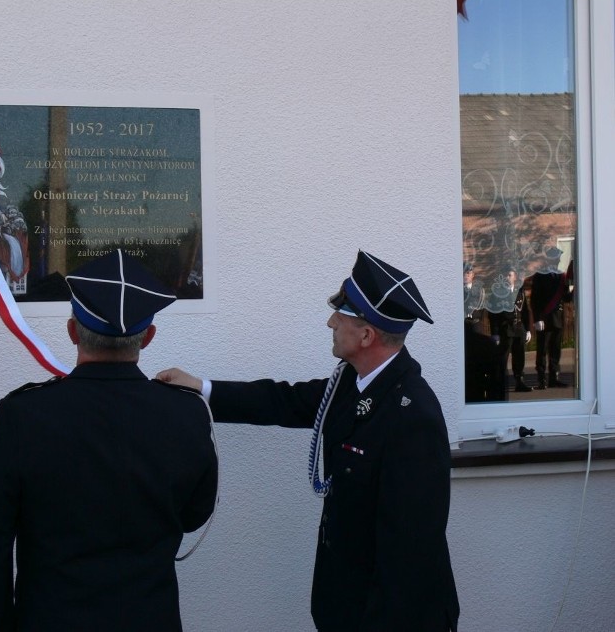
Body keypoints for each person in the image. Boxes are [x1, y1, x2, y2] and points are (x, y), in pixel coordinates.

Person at [158, 250, 459, 632]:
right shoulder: (352, 381)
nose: (331, 321)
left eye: (342, 315)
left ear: (366, 335)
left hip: (388, 617)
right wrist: (202, 388)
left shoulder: (412, 414)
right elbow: (284, 401)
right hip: (345, 605)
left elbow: (410, 552)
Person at [0, 248, 219, 631]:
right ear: (147, 338)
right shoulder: (187, 412)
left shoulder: (23, 415)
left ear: (72, 332)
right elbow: (194, 514)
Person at [530, 247, 573, 389]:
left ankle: (554, 378)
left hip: (557, 319)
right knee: (542, 350)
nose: (559, 260)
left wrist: (574, 289)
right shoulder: (540, 276)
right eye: (556, 257)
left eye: (559, 257)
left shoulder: (562, 276)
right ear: (550, 259)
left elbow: (566, 298)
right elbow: (535, 300)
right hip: (544, 318)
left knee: (556, 350)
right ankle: (541, 380)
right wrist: (537, 319)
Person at [463, 262, 504, 402]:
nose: (466, 276)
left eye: (468, 273)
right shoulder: (457, 291)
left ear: (473, 275)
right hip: (463, 327)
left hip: (476, 325)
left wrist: (470, 313)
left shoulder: (478, 290)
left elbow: (480, 305)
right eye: (464, 273)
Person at [487, 268, 533, 393]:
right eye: (505, 275)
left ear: (515, 277)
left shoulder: (520, 291)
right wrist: (495, 333)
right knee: (502, 358)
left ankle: (519, 381)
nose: (507, 278)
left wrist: (528, 330)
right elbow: (493, 315)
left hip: (519, 328)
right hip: (505, 330)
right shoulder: (497, 293)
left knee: (519, 357)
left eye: (509, 275)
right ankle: (499, 383)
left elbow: (525, 312)